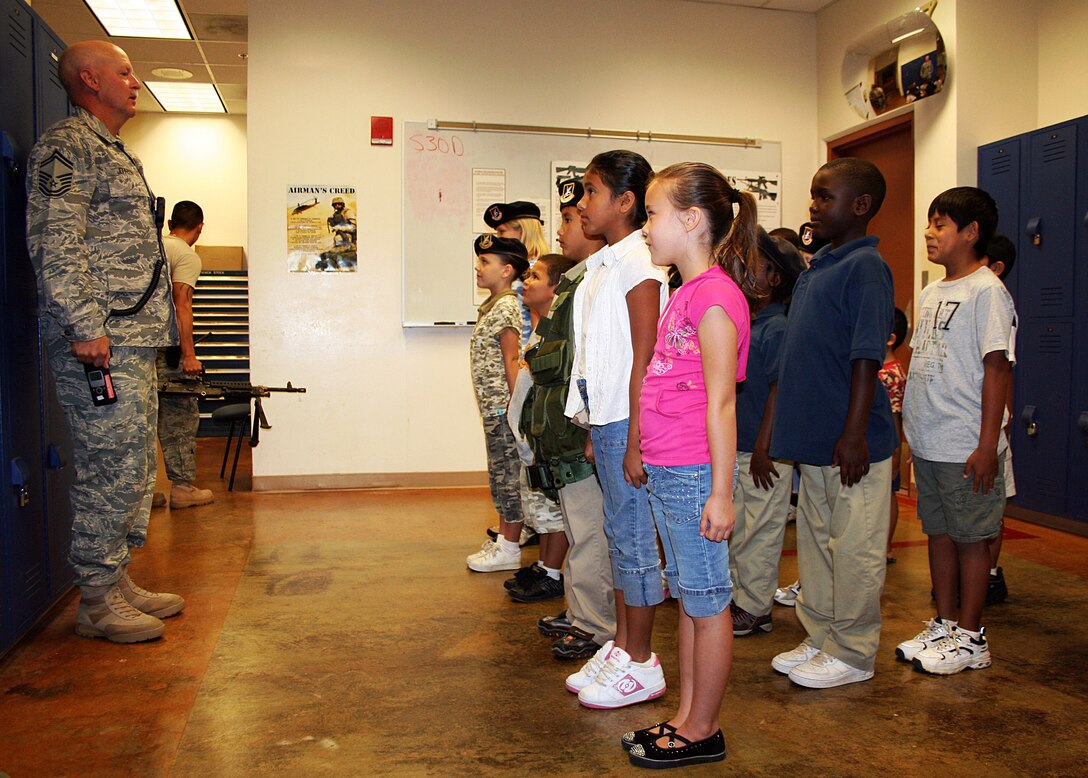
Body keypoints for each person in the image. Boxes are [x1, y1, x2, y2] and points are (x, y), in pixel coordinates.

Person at [25, 40, 183, 643]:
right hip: (100, 342)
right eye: (125, 72)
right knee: (108, 465)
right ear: (90, 80)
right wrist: (85, 325)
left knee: (134, 463)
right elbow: (55, 242)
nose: (135, 82)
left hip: (132, 340)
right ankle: (95, 598)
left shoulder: (113, 150)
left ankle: (116, 578)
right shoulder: (67, 146)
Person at [621, 162, 755, 769]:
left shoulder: (717, 298)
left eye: (652, 214)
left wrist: (720, 493)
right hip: (670, 469)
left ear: (692, 219)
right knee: (690, 599)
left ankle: (704, 727)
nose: (646, 227)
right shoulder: (685, 291)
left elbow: (722, 403)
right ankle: (685, 715)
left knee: (707, 601)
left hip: (696, 472)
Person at [770, 158, 898, 688]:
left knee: (855, 549)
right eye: (814, 195)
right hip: (817, 441)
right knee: (819, 543)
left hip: (852, 443)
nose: (814, 206)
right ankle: (821, 634)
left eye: (826, 197)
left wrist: (854, 433)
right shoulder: (819, 266)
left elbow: (866, 356)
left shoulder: (865, 267)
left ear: (861, 206)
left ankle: (853, 650)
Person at [563, 151, 669, 710]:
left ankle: (642, 660)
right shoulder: (605, 263)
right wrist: (590, 422)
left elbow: (644, 358)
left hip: (632, 421)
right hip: (608, 418)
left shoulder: (639, 263)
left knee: (634, 540)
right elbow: (596, 357)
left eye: (591, 191)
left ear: (625, 202)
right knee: (618, 534)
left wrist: (634, 439)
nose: (582, 203)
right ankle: (624, 648)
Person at [897, 187, 1016, 676]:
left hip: (966, 442)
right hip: (931, 441)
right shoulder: (931, 292)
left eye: (940, 224)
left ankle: (970, 636)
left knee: (972, 540)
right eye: (930, 222)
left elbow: (997, 369)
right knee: (939, 533)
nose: (929, 232)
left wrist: (987, 445)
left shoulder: (987, 291)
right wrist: (914, 435)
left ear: (971, 232)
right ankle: (945, 625)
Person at [533, 179, 615, 661]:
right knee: (576, 526)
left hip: (580, 432)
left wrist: (590, 429)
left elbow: (593, 364)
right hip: (562, 433)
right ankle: (580, 611)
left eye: (570, 219)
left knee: (589, 532)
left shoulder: (595, 281)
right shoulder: (574, 284)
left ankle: (595, 623)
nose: (565, 228)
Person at [729, 229, 804, 637]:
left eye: (753, 265)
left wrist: (764, 448)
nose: (743, 270)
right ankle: (740, 597)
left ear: (774, 279)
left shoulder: (776, 328)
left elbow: (780, 389)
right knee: (739, 529)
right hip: (738, 446)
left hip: (762, 453)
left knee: (759, 530)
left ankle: (755, 607)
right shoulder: (750, 322)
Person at [505, 253, 576, 603]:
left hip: (545, 440)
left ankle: (551, 572)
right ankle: (545, 567)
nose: (525, 282)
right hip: (531, 440)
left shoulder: (560, 333)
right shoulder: (540, 330)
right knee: (542, 508)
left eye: (535, 276)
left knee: (554, 509)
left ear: (556, 287)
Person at [465, 235, 530, 572]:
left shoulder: (506, 307)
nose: (478, 267)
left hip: (503, 409)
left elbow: (512, 359)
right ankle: (504, 540)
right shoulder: (493, 305)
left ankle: (509, 547)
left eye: (485, 262)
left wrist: (515, 411)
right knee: (500, 476)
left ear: (506, 270)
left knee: (508, 479)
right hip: (493, 409)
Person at [154, 200, 214, 510]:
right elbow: (182, 304)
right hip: (168, 351)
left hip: (139, 349)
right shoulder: (186, 255)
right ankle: (182, 488)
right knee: (179, 416)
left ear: (169, 224)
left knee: (142, 419)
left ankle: (141, 495)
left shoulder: (153, 246)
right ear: (199, 227)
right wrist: (189, 355)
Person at [978, 233, 1016, 605]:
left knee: (991, 509)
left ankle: (989, 575)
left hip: (991, 433)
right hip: (965, 430)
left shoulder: (996, 300)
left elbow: (1002, 370)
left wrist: (997, 432)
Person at [879, 308, 909, 563]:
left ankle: (885, 545)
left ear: (890, 339)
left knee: (887, 494)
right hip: (880, 443)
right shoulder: (881, 369)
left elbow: (896, 415)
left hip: (887, 444)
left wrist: (896, 452)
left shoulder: (891, 374)